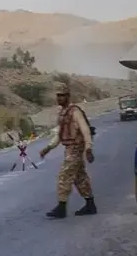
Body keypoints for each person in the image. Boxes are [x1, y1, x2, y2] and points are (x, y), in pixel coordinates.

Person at [39, 82, 96, 218]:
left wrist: (88, 148)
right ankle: (90, 204)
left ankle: (61, 207)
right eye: (58, 96)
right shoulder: (63, 113)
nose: (60, 98)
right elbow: (60, 134)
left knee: (64, 176)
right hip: (69, 148)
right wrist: (48, 148)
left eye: (63, 96)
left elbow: (85, 130)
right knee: (80, 177)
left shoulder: (75, 112)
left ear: (68, 96)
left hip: (76, 149)